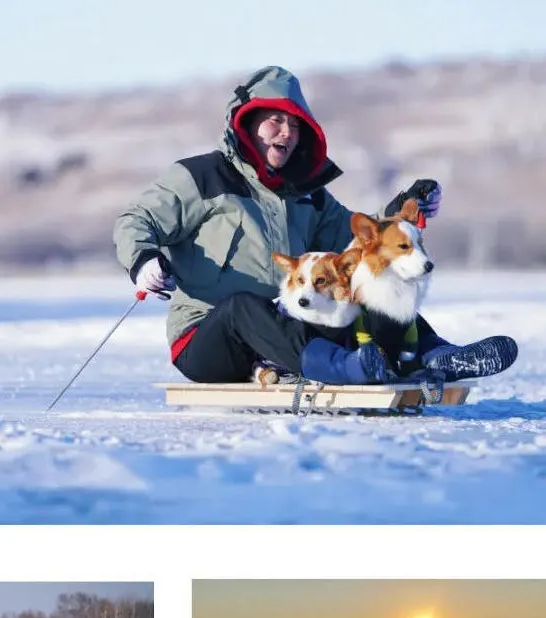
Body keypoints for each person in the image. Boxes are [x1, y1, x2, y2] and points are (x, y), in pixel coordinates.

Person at [114, 65, 517, 385]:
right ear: (246, 123)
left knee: (366, 278)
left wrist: (403, 213)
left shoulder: (306, 194)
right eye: (274, 121)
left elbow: (362, 243)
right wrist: (144, 260)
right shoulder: (201, 177)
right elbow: (137, 220)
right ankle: (346, 368)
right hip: (208, 338)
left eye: (294, 126)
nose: (286, 133)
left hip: (290, 326)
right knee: (242, 308)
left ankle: (434, 353)